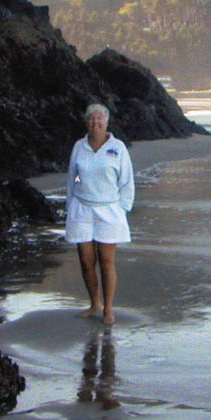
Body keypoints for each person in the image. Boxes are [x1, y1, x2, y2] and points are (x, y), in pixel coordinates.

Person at [65, 104, 134, 325]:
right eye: (92, 118)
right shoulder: (79, 147)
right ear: (87, 122)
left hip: (109, 210)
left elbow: (126, 181)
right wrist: (73, 198)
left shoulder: (118, 148)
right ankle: (95, 303)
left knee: (106, 261)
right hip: (82, 209)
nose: (96, 122)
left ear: (107, 122)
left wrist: (122, 208)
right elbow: (73, 177)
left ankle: (108, 309)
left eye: (100, 118)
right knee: (86, 261)